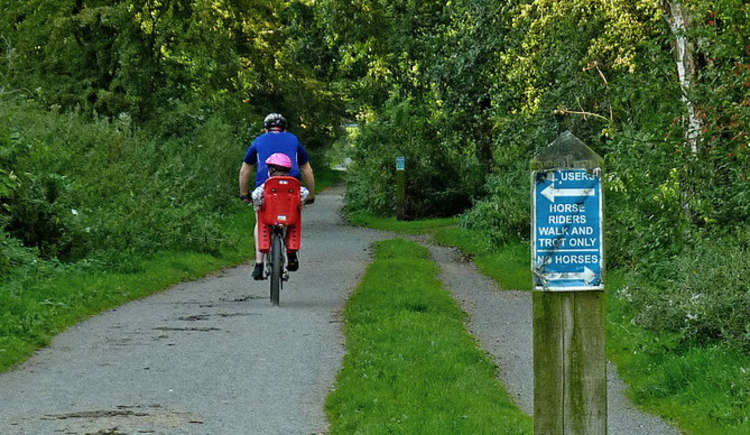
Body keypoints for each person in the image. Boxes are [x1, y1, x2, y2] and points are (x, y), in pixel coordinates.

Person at [239, 113, 315, 280]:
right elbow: (307, 170)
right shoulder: (294, 140)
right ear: (284, 129)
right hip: (291, 188)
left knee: (261, 220)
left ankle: (259, 264)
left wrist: (244, 193)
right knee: (292, 216)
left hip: (266, 188)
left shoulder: (259, 140)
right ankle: (292, 253)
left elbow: (245, 170)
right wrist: (311, 195)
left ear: (266, 129)